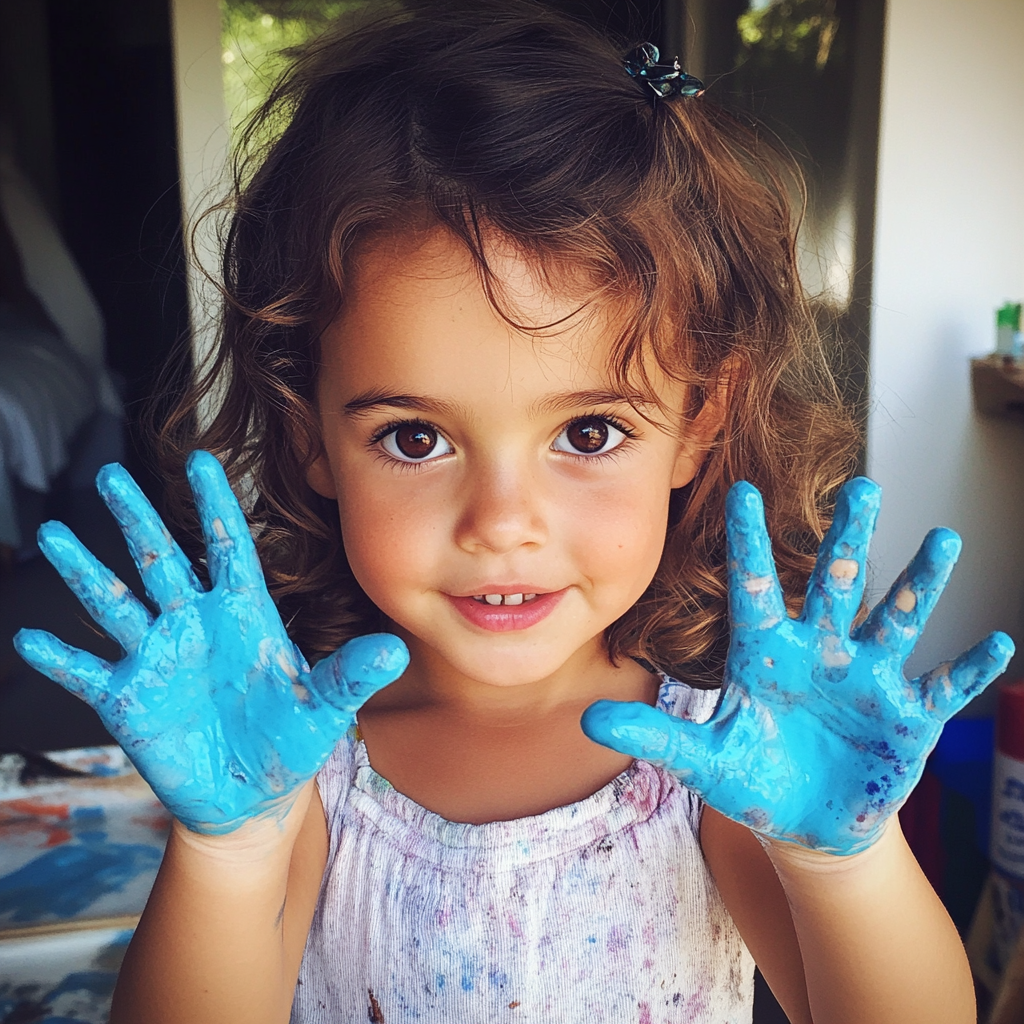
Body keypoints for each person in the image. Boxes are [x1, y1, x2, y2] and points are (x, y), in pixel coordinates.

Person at [13, 3, 1013, 1022]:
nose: (501, 522)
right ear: (310, 433)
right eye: (415, 438)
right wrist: (227, 851)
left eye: (587, 433)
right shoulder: (304, 767)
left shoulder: (719, 761)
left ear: (698, 422)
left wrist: (846, 864)